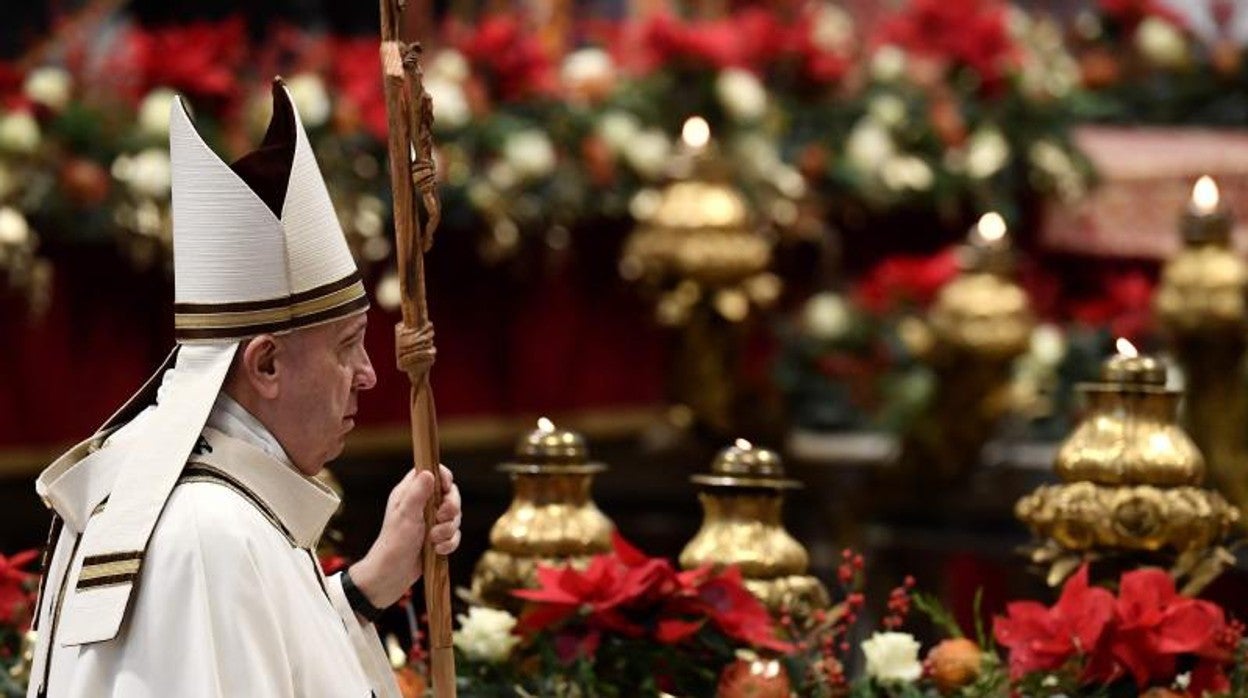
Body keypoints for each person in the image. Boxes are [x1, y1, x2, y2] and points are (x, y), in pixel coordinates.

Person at [26, 79, 460, 698]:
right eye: (347, 346)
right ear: (266, 366)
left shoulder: (201, 497)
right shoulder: (208, 532)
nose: (368, 373)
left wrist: (366, 591)